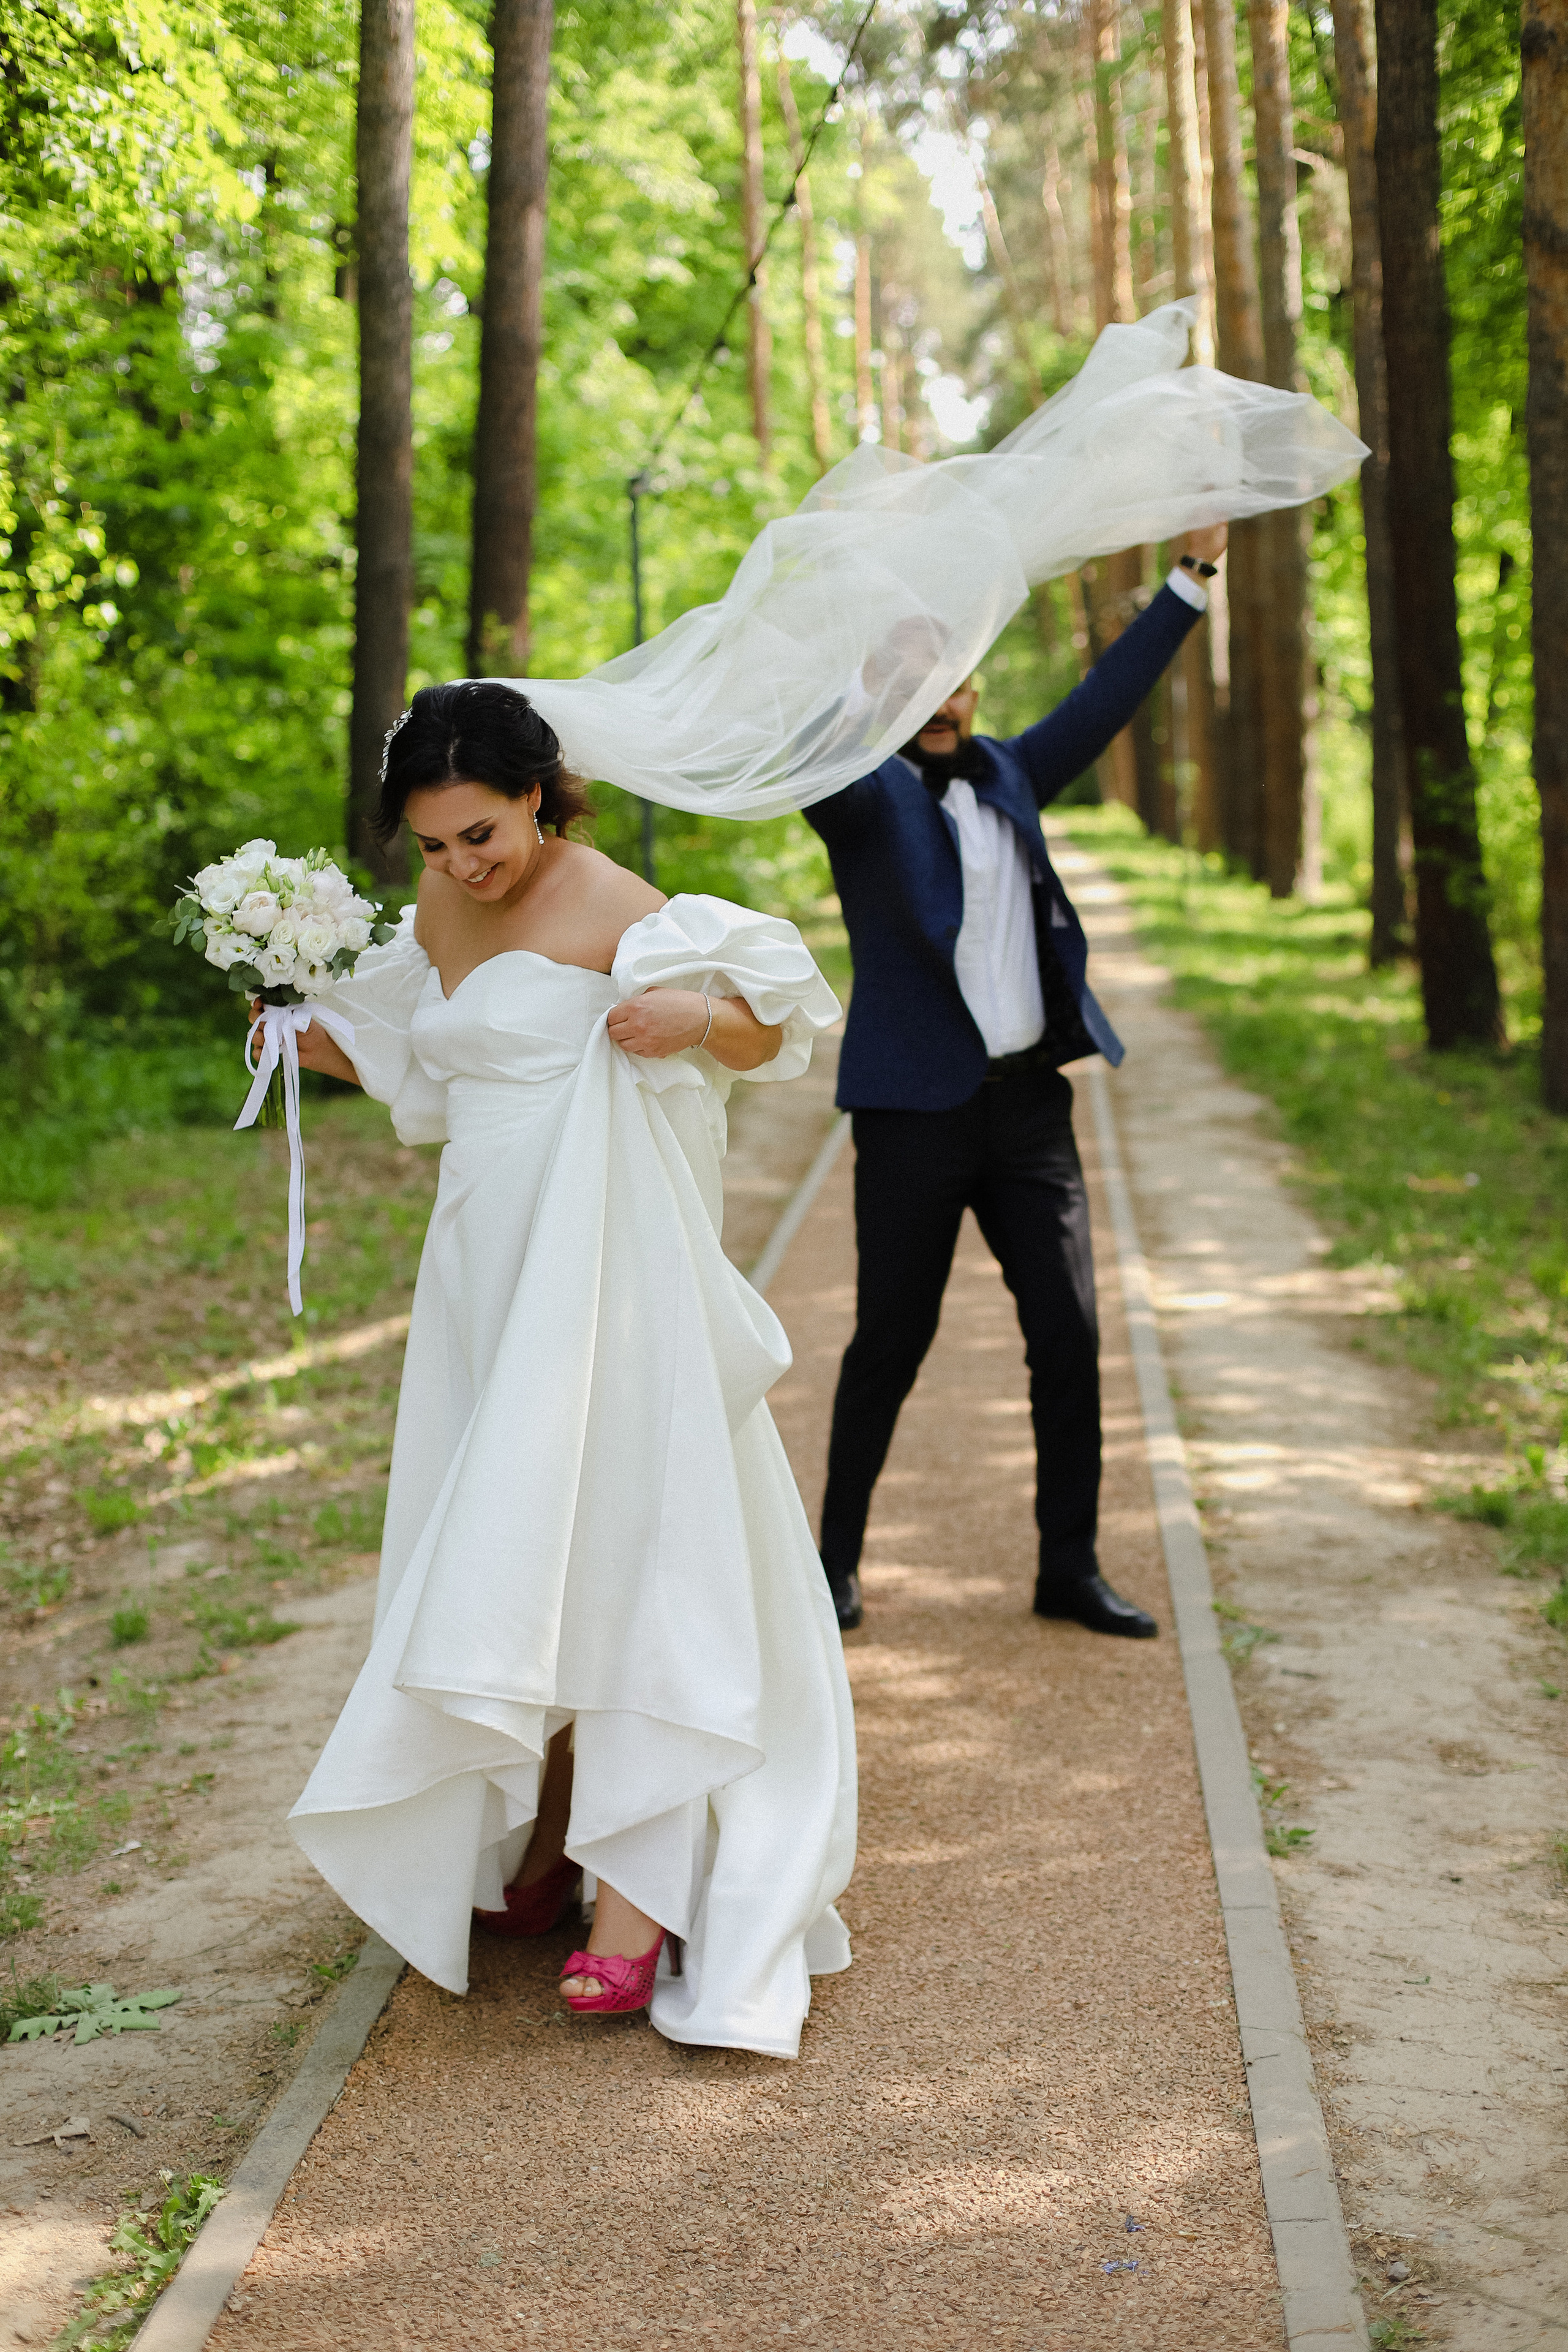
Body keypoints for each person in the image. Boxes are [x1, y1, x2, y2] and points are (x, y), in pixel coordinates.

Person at [276, 682, 854, 2059]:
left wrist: (688, 1025)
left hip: (607, 1267)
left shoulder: (614, 901)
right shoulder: (436, 913)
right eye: (432, 848)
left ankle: (636, 1894)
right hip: (484, 1261)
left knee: (616, 1538)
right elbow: (433, 1073)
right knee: (505, 1538)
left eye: (478, 835)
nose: (460, 868)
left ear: (536, 793)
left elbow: (772, 1031)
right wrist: (320, 1045)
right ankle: (536, 1835)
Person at [804, 527, 1229, 1637]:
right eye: (915, 684)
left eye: (954, 681)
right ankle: (830, 1564)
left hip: (1030, 1106)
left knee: (1072, 1333)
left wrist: (1192, 577)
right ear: (884, 696)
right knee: (891, 1339)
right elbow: (807, 737)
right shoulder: (861, 797)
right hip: (911, 1115)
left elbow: (1110, 694)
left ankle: (1069, 1568)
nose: (941, 703)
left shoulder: (1012, 774)